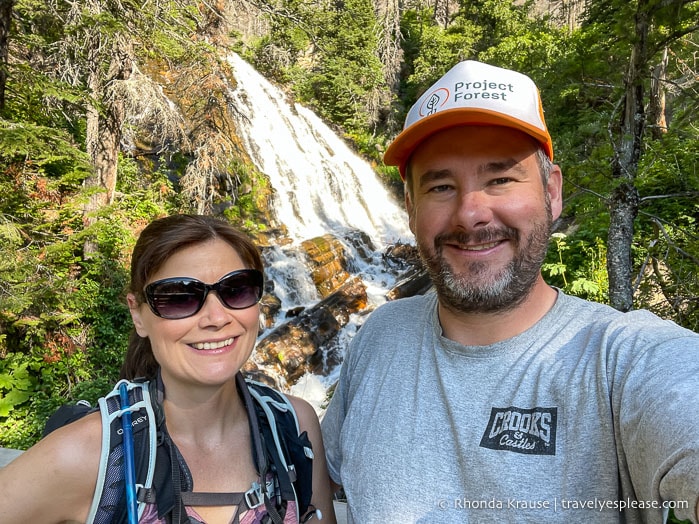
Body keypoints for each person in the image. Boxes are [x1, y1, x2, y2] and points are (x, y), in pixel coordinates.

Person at [320, 60, 699, 523]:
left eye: (499, 179)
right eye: (441, 186)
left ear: (552, 192)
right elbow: (327, 484)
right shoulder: (380, 335)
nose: (470, 214)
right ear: (411, 208)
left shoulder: (621, 359)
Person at [0, 214, 336, 524]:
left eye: (236, 289)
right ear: (137, 314)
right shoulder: (92, 453)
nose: (217, 318)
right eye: (178, 297)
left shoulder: (293, 426)